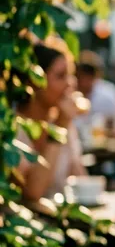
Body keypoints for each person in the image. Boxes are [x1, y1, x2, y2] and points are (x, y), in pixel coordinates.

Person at [15, 40, 85, 200]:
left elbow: (80, 179)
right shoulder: (14, 128)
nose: (70, 83)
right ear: (34, 81)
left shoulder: (64, 121)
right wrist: (60, 126)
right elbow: (33, 193)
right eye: (61, 76)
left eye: (71, 74)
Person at [74, 50, 115, 141]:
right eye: (81, 75)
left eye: (89, 75)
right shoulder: (68, 93)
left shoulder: (108, 95)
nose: (84, 81)